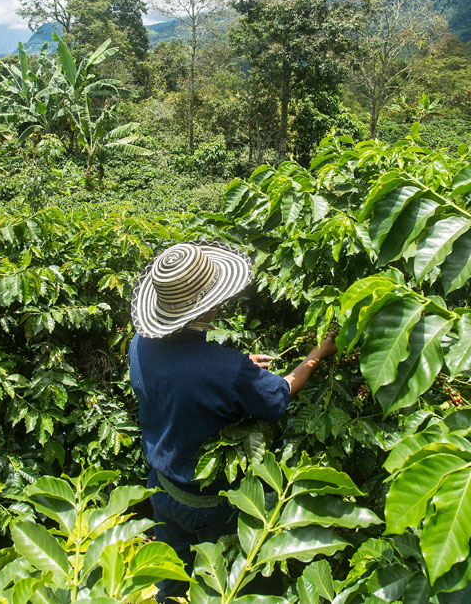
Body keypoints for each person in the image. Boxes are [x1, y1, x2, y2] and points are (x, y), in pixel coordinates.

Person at [128, 240, 337, 601]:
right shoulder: (224, 367)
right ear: (209, 304)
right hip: (213, 505)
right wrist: (318, 353)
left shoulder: (139, 344)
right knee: (237, 588)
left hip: (162, 489)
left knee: (172, 583)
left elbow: (187, 384)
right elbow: (279, 395)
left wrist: (237, 370)